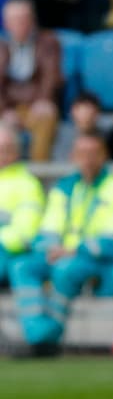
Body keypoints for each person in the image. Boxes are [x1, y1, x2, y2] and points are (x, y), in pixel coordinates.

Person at [10, 131, 113, 357]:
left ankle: (46, 339)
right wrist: (50, 248)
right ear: (73, 156)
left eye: (93, 153)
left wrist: (74, 250)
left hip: (102, 262)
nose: (87, 159)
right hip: (64, 255)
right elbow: (47, 228)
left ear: (103, 156)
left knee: (65, 269)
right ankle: (37, 333)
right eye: (82, 153)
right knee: (23, 266)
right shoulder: (65, 188)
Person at [0, 0, 61, 162]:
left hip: (37, 104)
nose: (20, 23)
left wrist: (43, 100)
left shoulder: (48, 42)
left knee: (47, 116)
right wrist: (4, 110)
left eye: (24, 18)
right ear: (6, 23)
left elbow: (51, 75)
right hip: (8, 107)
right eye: (15, 19)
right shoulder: (1, 47)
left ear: (33, 20)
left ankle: (39, 174)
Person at [0, 123, 46, 288]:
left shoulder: (27, 184)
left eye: (6, 148)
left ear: (16, 151)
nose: (2, 154)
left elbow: (25, 231)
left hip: (8, 251)